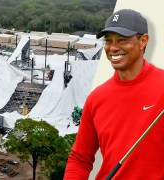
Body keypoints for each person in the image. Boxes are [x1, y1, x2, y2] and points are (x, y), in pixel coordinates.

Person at [64, 9, 164, 179]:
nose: (113, 48)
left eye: (122, 40)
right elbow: (80, 158)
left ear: (143, 41)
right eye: (108, 41)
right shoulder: (96, 98)